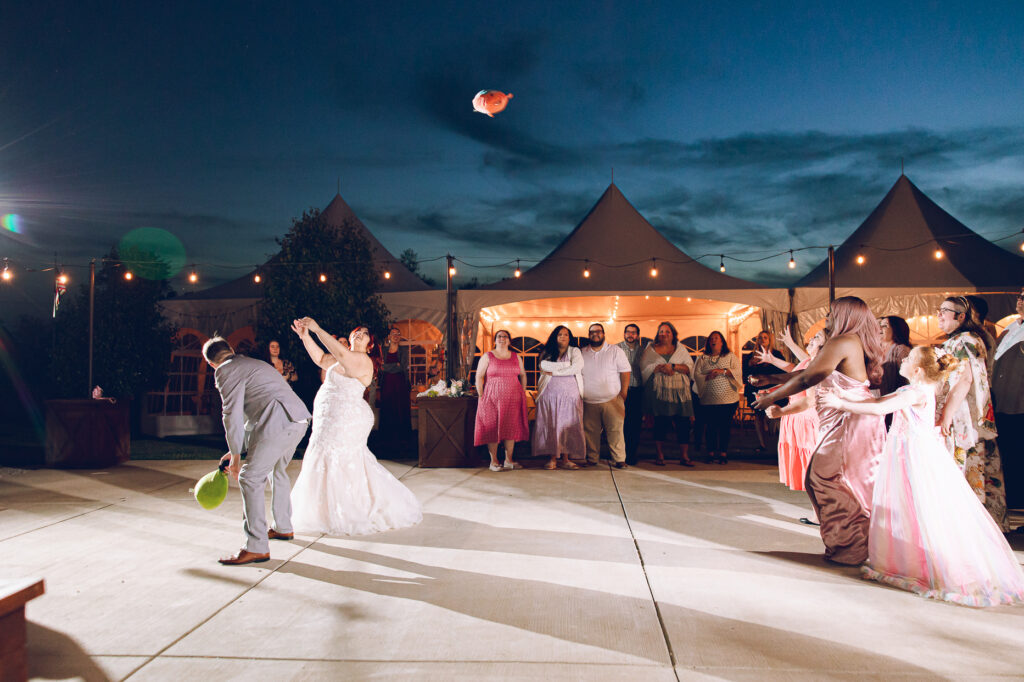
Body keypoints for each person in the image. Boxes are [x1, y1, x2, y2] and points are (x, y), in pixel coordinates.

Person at [821, 346, 1024, 606]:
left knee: (920, 506)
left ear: (916, 370)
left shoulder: (914, 392)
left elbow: (880, 409)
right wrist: (844, 395)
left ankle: (930, 564)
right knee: (914, 506)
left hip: (912, 454)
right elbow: (877, 400)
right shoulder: (921, 389)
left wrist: (841, 404)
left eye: (908, 358)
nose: (903, 359)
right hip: (912, 451)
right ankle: (913, 561)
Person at [753, 296, 886, 565]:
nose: (826, 318)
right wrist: (773, 378)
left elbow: (809, 377)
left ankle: (852, 547)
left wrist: (772, 396)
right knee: (835, 480)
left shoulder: (843, 341)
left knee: (825, 479)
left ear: (846, 316)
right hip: (848, 418)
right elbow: (811, 371)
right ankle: (851, 544)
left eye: (831, 313)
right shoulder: (848, 341)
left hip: (848, 419)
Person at [289, 318, 422, 535]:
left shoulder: (363, 361)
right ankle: (322, 510)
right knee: (321, 456)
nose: (360, 334)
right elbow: (321, 358)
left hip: (345, 419)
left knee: (340, 458)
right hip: (326, 418)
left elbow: (342, 356)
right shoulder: (339, 357)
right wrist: (305, 337)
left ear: (370, 344)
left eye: (365, 333)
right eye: (357, 331)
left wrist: (317, 329)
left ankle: (347, 508)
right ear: (350, 337)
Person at [203, 337, 311, 565]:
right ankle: (282, 526)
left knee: (249, 477)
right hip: (298, 419)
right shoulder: (252, 364)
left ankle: (256, 547)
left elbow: (231, 414)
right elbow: (251, 415)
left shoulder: (224, 370)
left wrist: (236, 458)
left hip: (279, 422)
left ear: (211, 364)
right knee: (276, 470)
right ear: (231, 350)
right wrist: (236, 449)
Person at [935, 296, 1007, 529]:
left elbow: (964, 379)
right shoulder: (964, 339)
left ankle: (969, 526)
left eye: (945, 310)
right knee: (977, 466)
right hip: (967, 414)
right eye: (939, 309)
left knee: (967, 464)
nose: (939, 314)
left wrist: (946, 415)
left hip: (963, 415)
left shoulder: (965, 340)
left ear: (961, 316)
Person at [766, 331, 825, 492]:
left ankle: (818, 506)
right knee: (806, 474)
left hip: (806, 419)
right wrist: (770, 391)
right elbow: (793, 373)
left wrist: (781, 411)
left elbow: (810, 400)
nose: (811, 338)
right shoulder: (808, 361)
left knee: (812, 470)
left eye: (817, 337)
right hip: (796, 417)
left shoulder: (816, 366)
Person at [474, 329, 530, 471]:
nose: (502, 339)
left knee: (510, 428)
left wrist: (522, 391)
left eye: (505, 336)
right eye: (499, 336)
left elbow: (523, 374)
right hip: (491, 398)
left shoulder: (516, 357)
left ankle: (509, 460)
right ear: (495, 340)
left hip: (513, 398)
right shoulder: (487, 356)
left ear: (509, 340)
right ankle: (494, 461)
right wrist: (481, 395)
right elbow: (479, 376)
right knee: (492, 427)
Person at [640, 322, 695, 466]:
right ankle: (659, 455)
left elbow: (689, 367)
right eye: (661, 331)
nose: (664, 334)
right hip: (659, 393)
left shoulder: (680, 348)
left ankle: (684, 456)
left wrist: (673, 366)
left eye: (667, 331)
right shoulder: (650, 349)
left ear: (673, 334)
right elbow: (643, 368)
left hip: (680, 394)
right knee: (660, 423)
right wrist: (657, 367)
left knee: (683, 423)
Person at [580, 323, 631, 468]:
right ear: (588, 335)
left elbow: (625, 371)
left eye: (598, 331)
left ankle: (619, 459)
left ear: (603, 334)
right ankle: (592, 458)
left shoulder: (615, 351)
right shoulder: (582, 352)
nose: (595, 334)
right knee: (590, 432)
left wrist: (623, 393)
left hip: (612, 400)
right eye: (592, 332)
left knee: (615, 430)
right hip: (589, 401)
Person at [534, 325, 585, 470]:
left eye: (566, 334)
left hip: (570, 395)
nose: (563, 337)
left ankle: (566, 459)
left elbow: (577, 367)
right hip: (549, 394)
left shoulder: (575, 351)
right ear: (555, 337)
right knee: (551, 424)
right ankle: (552, 459)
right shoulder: (547, 351)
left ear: (570, 337)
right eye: (560, 334)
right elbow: (543, 365)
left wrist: (556, 370)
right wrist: (567, 366)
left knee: (567, 426)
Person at [992, 288, 1024, 511]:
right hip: (1002, 403)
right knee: (1008, 454)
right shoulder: (1010, 327)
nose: (1020, 301)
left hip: (1020, 405)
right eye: (1020, 296)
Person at [692, 331, 742, 465]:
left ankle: (723, 453)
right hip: (708, 399)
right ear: (708, 342)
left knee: (725, 426)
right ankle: (710, 453)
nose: (713, 340)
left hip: (728, 399)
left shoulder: (730, 356)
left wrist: (723, 371)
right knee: (710, 427)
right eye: (711, 339)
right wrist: (706, 377)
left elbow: (738, 371)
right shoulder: (703, 358)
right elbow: (696, 374)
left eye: (716, 338)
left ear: (722, 342)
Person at [743, 330, 787, 453]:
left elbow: (783, 373)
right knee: (759, 416)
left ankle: (780, 443)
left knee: (775, 416)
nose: (762, 340)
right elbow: (745, 375)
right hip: (755, 390)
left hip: (773, 390)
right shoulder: (751, 356)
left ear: (769, 340)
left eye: (765, 337)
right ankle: (762, 444)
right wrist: (750, 365)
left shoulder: (776, 355)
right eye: (760, 337)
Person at [378, 327, 412, 454]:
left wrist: (387, 367)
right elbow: (380, 367)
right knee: (388, 409)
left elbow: (402, 367)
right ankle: (387, 441)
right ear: (389, 336)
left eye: (398, 334)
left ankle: (402, 441)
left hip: (400, 385)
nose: (396, 336)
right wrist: (394, 365)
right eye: (393, 334)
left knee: (400, 410)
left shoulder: (404, 350)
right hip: (386, 385)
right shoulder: (383, 350)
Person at [617, 324, 645, 465]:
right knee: (620, 424)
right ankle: (620, 455)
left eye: (633, 332)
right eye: (628, 332)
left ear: (637, 335)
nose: (630, 334)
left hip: (638, 391)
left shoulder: (643, 351)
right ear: (624, 333)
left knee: (635, 424)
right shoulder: (616, 349)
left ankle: (632, 454)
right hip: (620, 390)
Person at [878, 316, 912, 428]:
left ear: (896, 329)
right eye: (880, 325)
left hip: (896, 403)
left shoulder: (901, 349)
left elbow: (909, 380)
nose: (879, 329)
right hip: (881, 401)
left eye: (884, 326)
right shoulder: (877, 350)